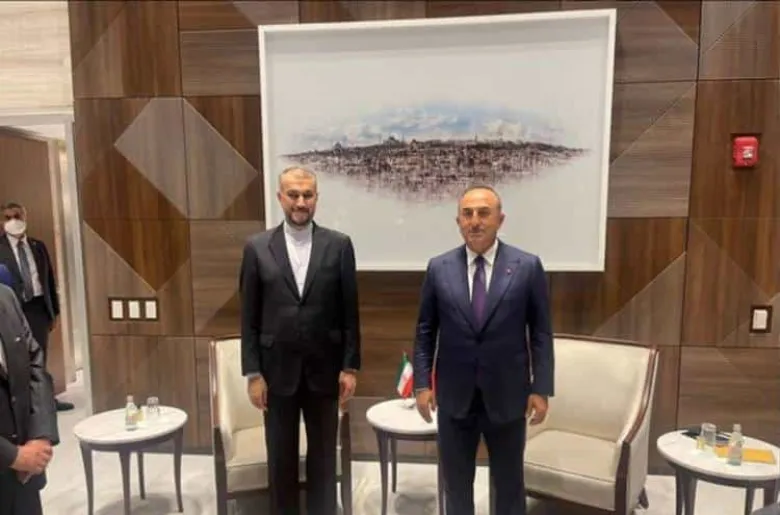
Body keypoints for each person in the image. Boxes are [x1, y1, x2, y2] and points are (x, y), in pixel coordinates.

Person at [413, 185, 554, 515]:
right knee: (456, 485)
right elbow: (425, 331)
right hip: (454, 397)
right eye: (467, 214)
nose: (475, 221)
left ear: (500, 220)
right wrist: (422, 384)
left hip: (507, 395)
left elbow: (541, 333)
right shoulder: (438, 267)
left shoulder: (527, 266)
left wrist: (541, 388)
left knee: (509, 485)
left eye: (483, 213)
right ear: (458, 221)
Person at [239, 166, 361, 515]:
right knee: (281, 459)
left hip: (325, 371)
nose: (301, 202)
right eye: (293, 195)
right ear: (280, 197)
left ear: (316, 198)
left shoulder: (339, 245)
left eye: (308, 195)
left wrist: (350, 366)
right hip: (275, 373)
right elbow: (248, 316)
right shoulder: (257, 248)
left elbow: (350, 312)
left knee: (324, 459)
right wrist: (253, 373)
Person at [0, 202, 73, 412]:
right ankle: (23, 405)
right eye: (8, 217)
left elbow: (48, 279)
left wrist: (54, 311)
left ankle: (46, 400)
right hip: (13, 310)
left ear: (25, 218)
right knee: (17, 358)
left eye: (18, 216)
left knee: (40, 356)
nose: (14, 221)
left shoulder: (37, 246)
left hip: (38, 308)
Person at [0, 279, 60, 515]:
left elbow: (35, 365)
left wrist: (40, 436)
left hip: (23, 479)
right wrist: (12, 455)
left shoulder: (5, 296)